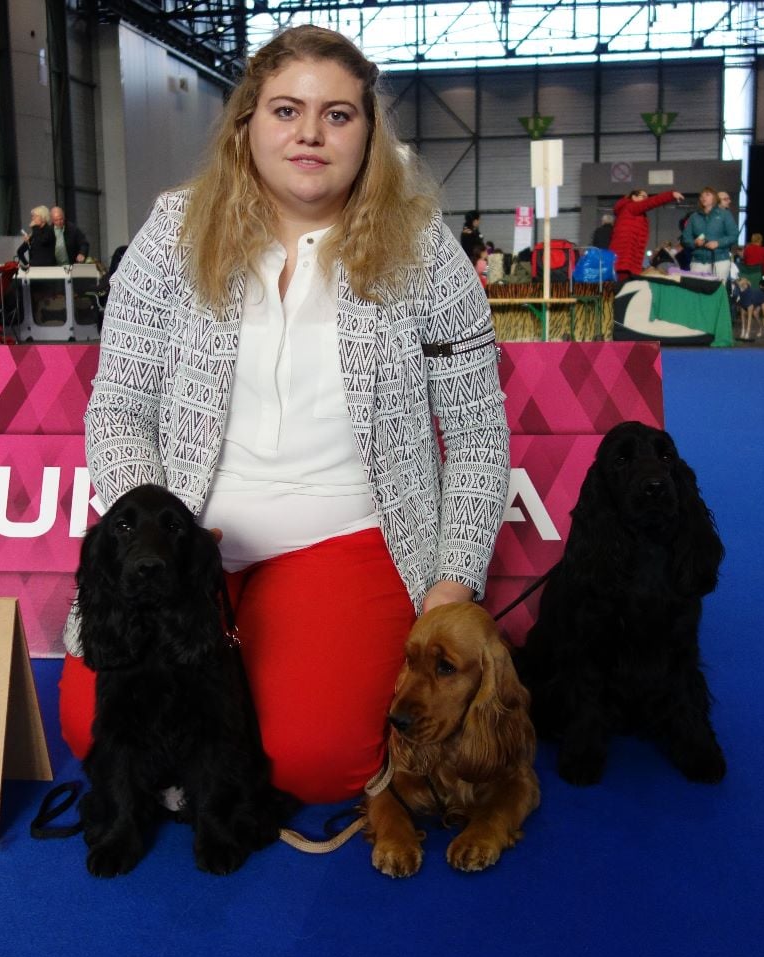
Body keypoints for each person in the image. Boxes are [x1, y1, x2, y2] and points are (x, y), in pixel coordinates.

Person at [59, 25, 510, 805]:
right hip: (188, 541)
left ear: (369, 134)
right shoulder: (170, 234)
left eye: (338, 115)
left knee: (312, 762)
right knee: (90, 728)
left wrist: (451, 582)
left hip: (347, 534)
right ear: (246, 124)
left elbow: (476, 434)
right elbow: (120, 408)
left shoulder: (428, 250)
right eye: (286, 110)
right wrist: (161, 543)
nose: (310, 132)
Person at [608, 188, 683, 281]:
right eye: (643, 196)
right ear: (634, 197)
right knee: (623, 285)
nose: (646, 199)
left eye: (647, 197)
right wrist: (671, 195)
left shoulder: (629, 211)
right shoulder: (631, 206)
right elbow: (652, 202)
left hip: (626, 255)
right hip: (625, 255)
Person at [681, 187, 738, 282]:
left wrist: (718, 243)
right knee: (697, 292)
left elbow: (734, 235)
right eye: (701, 195)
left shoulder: (725, 215)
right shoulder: (694, 217)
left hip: (720, 260)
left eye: (707, 194)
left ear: (714, 198)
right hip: (698, 261)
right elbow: (685, 239)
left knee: (718, 292)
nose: (703, 197)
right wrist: (694, 243)